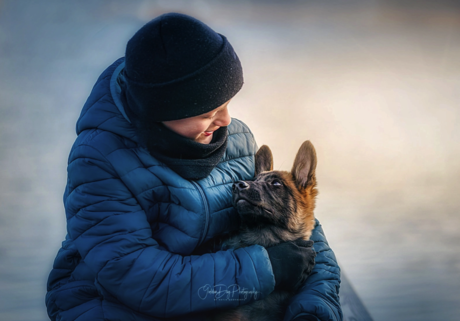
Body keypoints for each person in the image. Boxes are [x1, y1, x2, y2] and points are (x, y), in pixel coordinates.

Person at [45, 13, 342, 321]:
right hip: (118, 306)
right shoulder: (99, 160)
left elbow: (306, 236)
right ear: (165, 108)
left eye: (228, 103)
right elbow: (139, 278)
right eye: (210, 110)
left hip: (220, 296)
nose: (226, 119)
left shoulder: (236, 138)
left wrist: (311, 311)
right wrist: (267, 267)